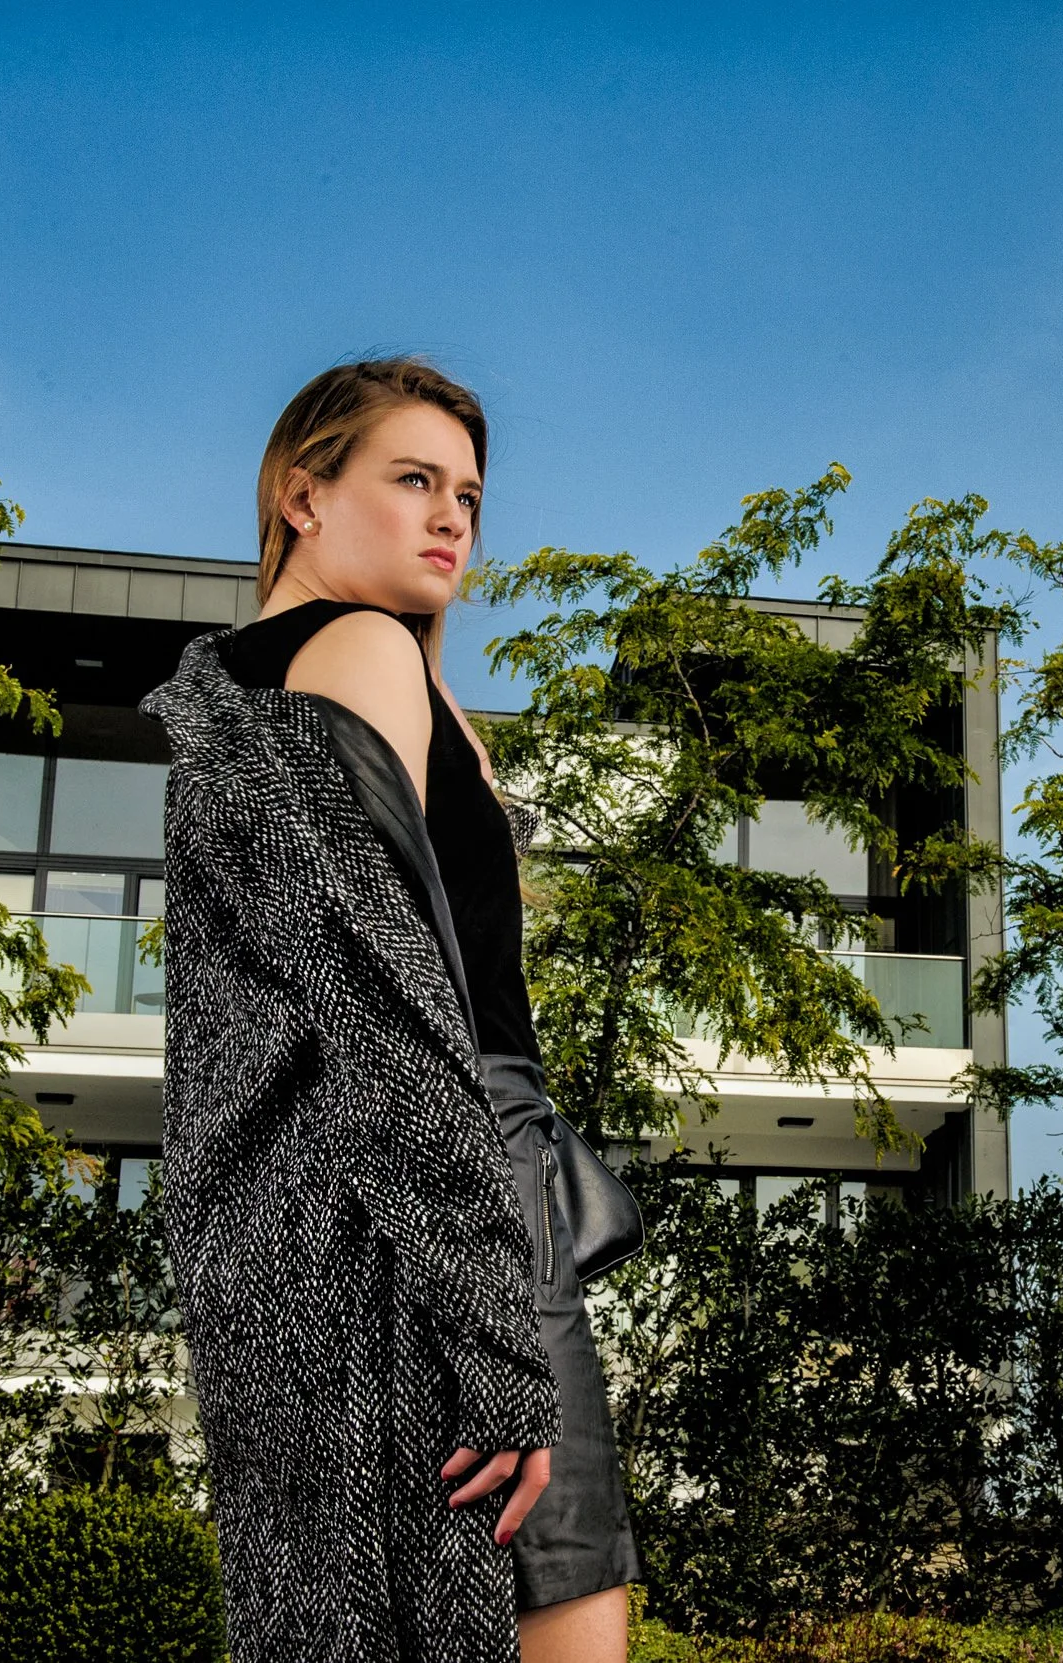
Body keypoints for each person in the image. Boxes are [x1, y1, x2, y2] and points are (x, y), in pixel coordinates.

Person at [145, 358, 639, 1663]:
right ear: (301, 494)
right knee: (568, 1624)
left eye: (470, 493)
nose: (454, 519)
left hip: (337, 1219)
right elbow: (394, 1003)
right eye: (413, 479)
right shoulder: (354, 652)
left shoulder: (251, 697)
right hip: (458, 1191)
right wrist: (493, 1327)